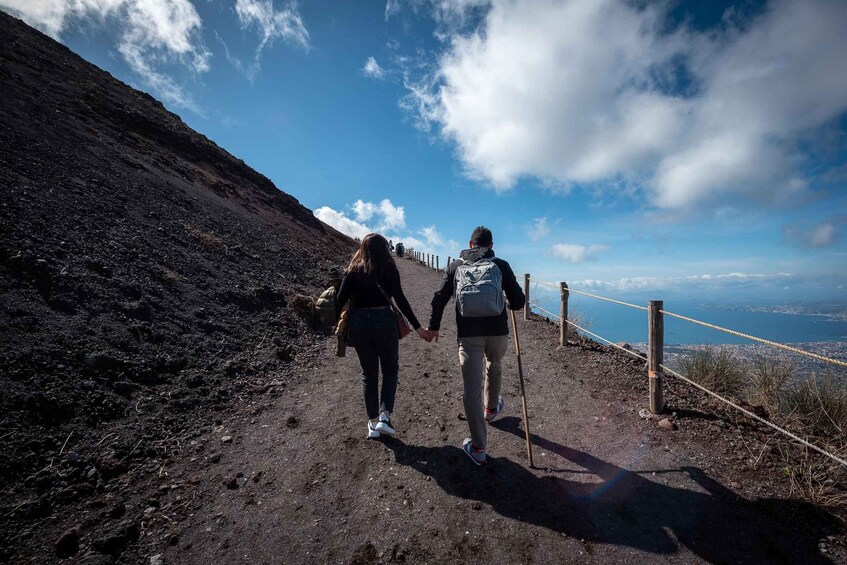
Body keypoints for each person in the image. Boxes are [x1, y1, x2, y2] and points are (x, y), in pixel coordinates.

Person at [427, 226, 525, 465]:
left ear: (470, 244)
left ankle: (478, 447)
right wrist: (507, 304)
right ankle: (491, 409)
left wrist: (434, 327)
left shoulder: (455, 266)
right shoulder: (501, 265)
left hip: (468, 335)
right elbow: (519, 301)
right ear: (491, 246)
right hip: (497, 332)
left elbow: (439, 298)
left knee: (471, 390)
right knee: (495, 364)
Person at [336, 233, 431, 439]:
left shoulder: (353, 271)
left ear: (363, 248)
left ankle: (372, 423)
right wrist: (418, 328)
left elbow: (339, 299)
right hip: (384, 321)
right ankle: (384, 417)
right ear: (384, 249)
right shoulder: (389, 269)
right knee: (390, 370)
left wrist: (339, 327)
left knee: (368, 374)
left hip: (359, 323)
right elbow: (401, 300)